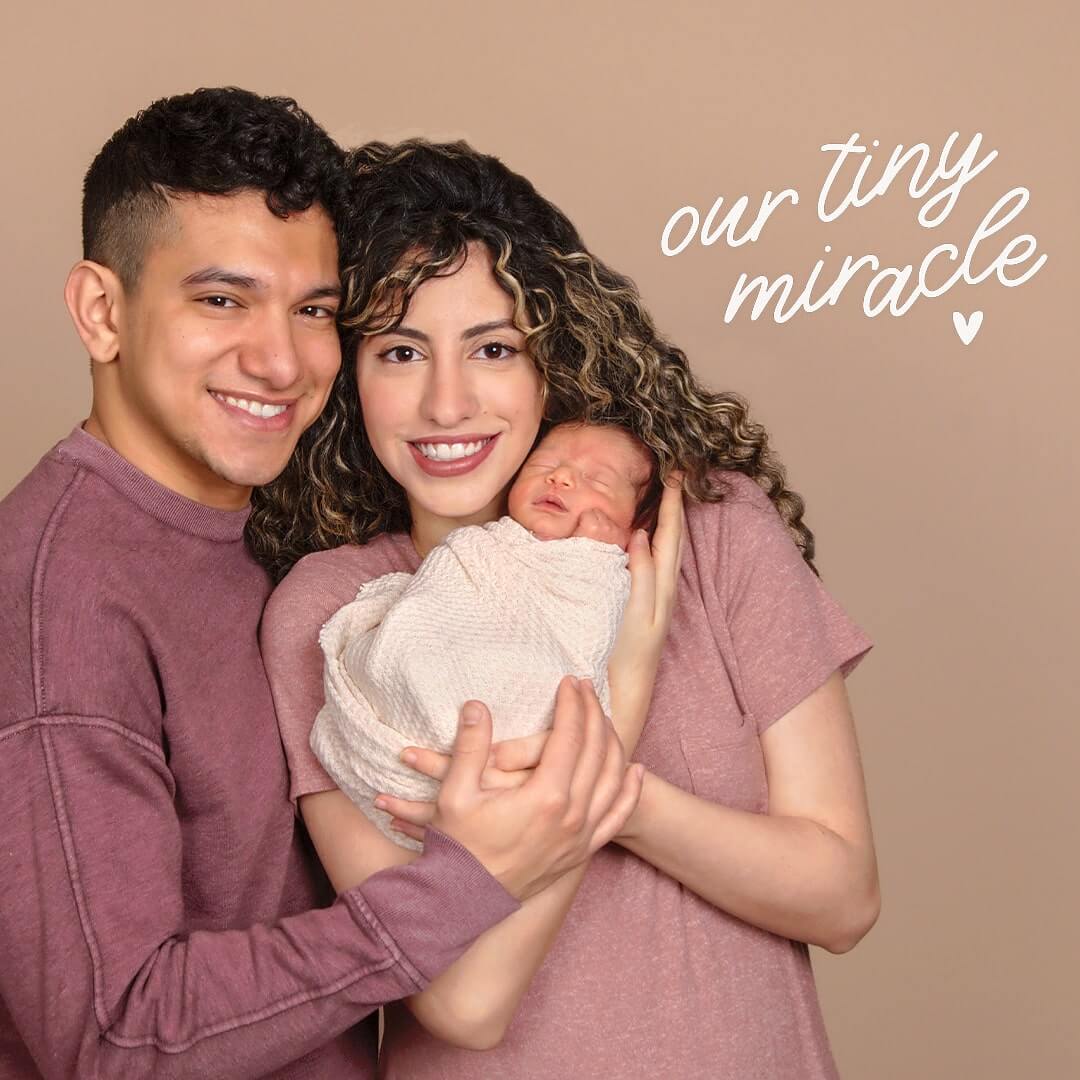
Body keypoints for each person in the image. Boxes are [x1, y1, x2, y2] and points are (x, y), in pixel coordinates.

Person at [0, 91, 642, 1080]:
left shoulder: (274, 537)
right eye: (221, 299)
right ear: (102, 311)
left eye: (313, 311)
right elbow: (115, 1038)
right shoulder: (59, 607)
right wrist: (464, 885)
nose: (279, 358)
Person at [252, 139, 880, 1078]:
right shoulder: (343, 617)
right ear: (348, 377)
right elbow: (462, 1002)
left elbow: (843, 898)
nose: (448, 401)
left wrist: (609, 802)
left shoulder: (700, 530)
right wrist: (619, 699)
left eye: (494, 348)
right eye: (400, 351)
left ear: (555, 356)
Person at [311, 421, 658, 847]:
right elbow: (435, 602)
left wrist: (595, 557)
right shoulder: (483, 547)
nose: (560, 477)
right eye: (545, 463)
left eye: (596, 480)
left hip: (514, 728)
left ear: (635, 525)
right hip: (421, 688)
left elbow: (582, 629)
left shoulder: (603, 571)